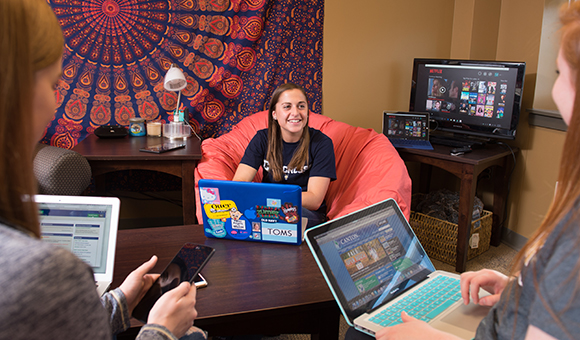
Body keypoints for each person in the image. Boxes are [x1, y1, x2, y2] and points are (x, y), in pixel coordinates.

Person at [347, 3, 580, 340]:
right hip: (502, 317)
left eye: (559, 75)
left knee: (360, 333)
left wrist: (429, 337)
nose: (555, 91)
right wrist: (517, 290)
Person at [0, 1, 203, 339]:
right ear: (16, 92)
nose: (54, 102)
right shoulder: (44, 271)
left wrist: (120, 301)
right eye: (52, 84)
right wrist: (161, 331)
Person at [233, 82, 336, 228]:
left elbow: (314, 199)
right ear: (274, 114)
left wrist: (268, 198)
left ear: (307, 112)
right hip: (266, 209)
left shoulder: (322, 143)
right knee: (235, 213)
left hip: (304, 212)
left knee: (281, 217)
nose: (295, 113)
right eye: (287, 106)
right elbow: (239, 183)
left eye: (301, 106)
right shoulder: (262, 139)